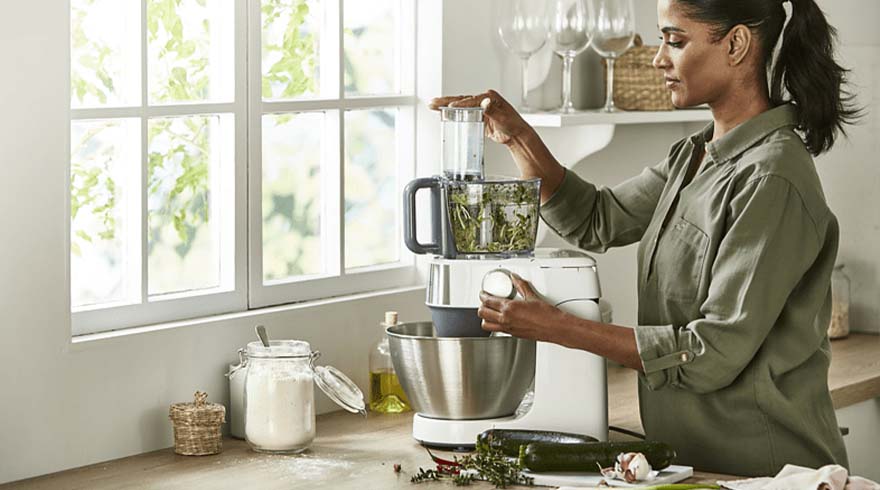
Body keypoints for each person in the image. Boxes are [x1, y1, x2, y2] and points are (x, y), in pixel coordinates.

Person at [430, 0, 861, 478]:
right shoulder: (694, 157)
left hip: (766, 473)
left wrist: (557, 326)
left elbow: (712, 352)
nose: (658, 58)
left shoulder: (771, 177)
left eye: (675, 41)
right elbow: (595, 218)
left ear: (737, 44)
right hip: (691, 464)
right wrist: (517, 136)